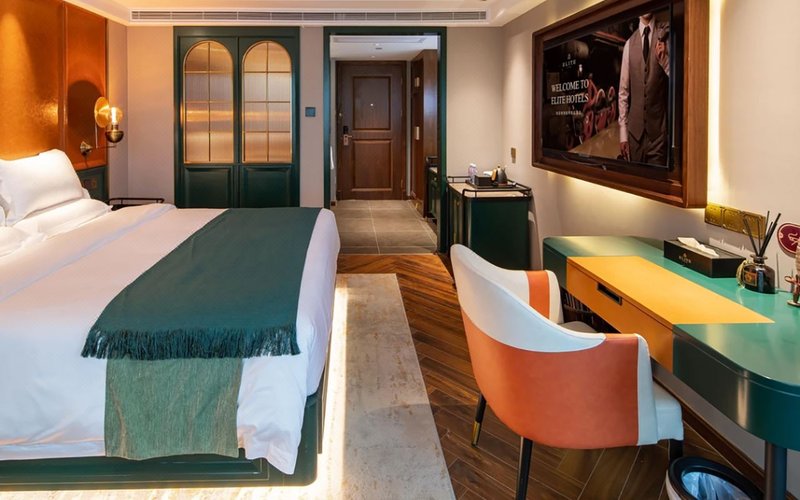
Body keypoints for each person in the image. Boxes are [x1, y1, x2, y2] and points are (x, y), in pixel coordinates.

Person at [618, 13, 670, 164]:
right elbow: (623, 92)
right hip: (635, 136)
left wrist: (665, 61)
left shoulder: (666, 36)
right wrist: (623, 134)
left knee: (656, 178)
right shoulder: (629, 44)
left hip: (658, 137)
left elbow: (680, 82)